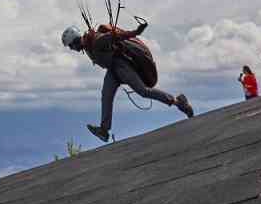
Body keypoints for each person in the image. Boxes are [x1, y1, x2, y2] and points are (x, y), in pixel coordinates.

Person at [62, 22, 193, 142]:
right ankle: (104, 130)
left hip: (120, 66)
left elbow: (117, 36)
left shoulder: (96, 41)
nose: (72, 49)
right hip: (112, 70)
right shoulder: (88, 45)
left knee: (143, 91)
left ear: (75, 41)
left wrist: (136, 32)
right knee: (106, 96)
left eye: (71, 46)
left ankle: (178, 102)